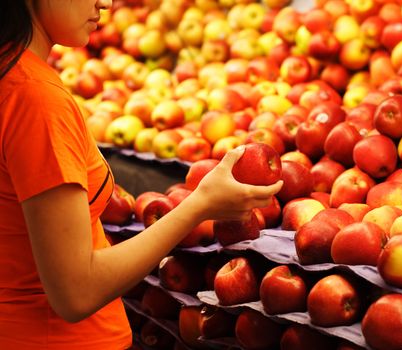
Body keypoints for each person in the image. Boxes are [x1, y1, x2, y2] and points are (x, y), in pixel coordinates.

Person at [0, 0, 283, 349]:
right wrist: (199, 206)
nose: (106, 3)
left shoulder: (10, 75)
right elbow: (76, 292)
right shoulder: (35, 100)